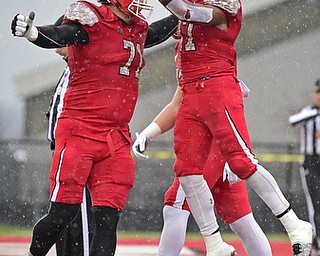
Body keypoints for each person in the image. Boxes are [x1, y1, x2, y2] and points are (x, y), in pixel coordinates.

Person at [134, 0, 313, 255]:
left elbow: (187, 12)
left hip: (216, 99)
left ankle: (294, 224)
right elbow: (154, 35)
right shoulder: (188, 57)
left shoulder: (218, 10)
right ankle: (214, 243)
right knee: (210, 192)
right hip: (196, 97)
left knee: (178, 202)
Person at [11, 0, 178, 255]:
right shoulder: (91, 18)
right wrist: (34, 34)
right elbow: (61, 35)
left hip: (116, 135)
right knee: (62, 214)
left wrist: (185, 14)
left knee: (108, 219)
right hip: (80, 130)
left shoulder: (135, 28)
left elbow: (154, 33)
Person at [133, 84, 272, 256]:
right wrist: (148, 133)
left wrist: (237, 154)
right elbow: (176, 105)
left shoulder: (209, 67)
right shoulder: (190, 65)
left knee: (174, 206)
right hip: (218, 150)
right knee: (242, 221)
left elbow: (232, 110)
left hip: (211, 150)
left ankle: (292, 222)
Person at [289, 78, 320, 256]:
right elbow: (293, 121)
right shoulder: (308, 112)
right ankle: (315, 238)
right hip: (312, 162)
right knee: (315, 203)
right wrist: (315, 113)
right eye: (317, 93)